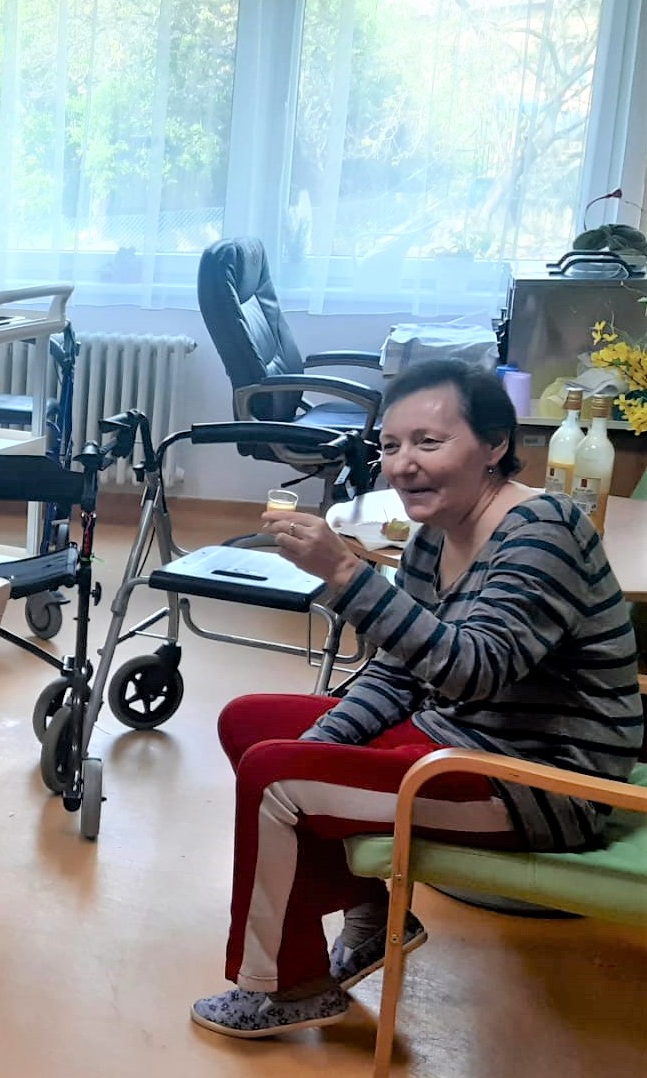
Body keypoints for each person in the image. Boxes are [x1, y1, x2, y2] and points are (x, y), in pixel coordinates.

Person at [191, 360, 642, 1038]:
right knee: (251, 724)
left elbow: (473, 671)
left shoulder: (542, 531)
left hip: (541, 781)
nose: (403, 464)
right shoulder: (436, 533)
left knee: (275, 776)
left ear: (494, 445)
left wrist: (347, 574)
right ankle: (371, 917)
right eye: (391, 445)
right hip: (458, 738)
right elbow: (401, 673)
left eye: (429, 442)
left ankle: (285, 985)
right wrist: (320, 745)